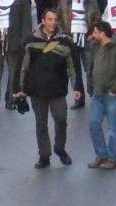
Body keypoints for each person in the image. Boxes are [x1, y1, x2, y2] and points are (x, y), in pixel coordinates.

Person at [17, 9, 84, 168]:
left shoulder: (65, 42)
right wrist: (18, 89)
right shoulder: (31, 40)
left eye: (55, 20)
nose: (53, 23)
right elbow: (23, 66)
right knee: (41, 124)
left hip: (58, 90)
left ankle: (60, 149)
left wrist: (77, 87)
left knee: (61, 120)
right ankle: (44, 155)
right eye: (50, 19)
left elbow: (73, 67)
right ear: (43, 20)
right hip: (36, 90)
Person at [87, 21, 116, 170]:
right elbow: (91, 67)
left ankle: (113, 158)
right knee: (93, 123)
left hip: (112, 94)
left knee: (113, 127)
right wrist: (91, 84)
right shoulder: (96, 47)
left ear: (102, 33)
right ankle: (101, 155)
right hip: (98, 93)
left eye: (95, 32)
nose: (93, 35)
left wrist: (115, 89)